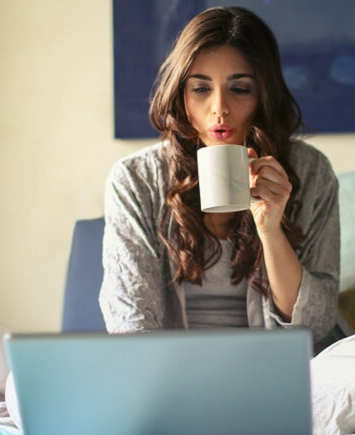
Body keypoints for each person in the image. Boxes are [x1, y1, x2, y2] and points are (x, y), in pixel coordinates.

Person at [99, 6, 339, 344]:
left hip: (273, 369)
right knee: (22, 388)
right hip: (171, 372)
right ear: (180, 95)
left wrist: (271, 230)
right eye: (201, 89)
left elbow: (315, 327)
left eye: (239, 89)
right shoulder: (136, 180)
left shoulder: (310, 172)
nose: (219, 108)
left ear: (263, 94)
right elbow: (129, 320)